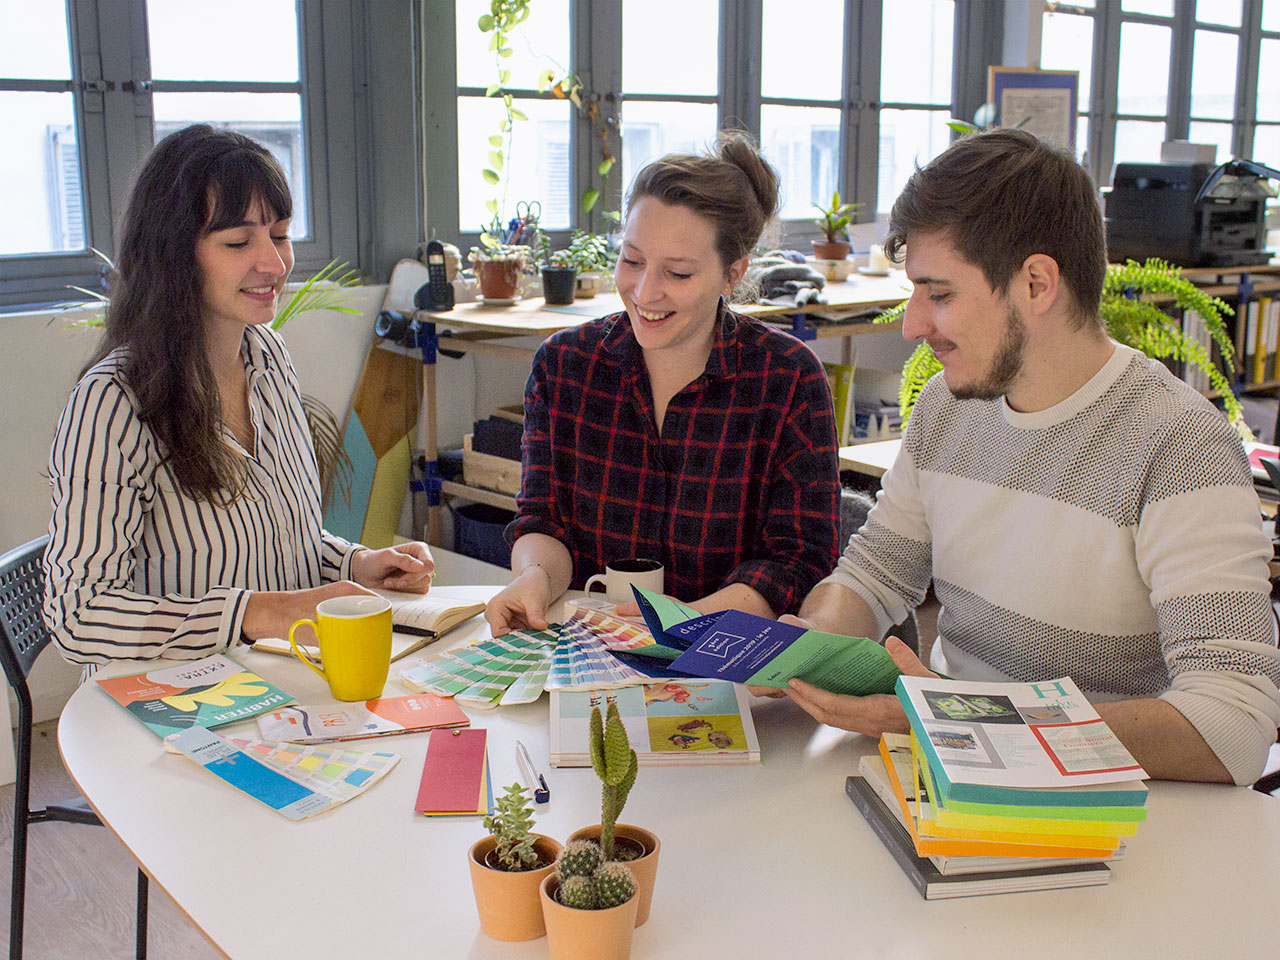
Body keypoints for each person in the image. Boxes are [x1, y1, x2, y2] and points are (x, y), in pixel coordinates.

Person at [765, 128, 1280, 785]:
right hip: (952, 778)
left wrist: (965, 717)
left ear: (1037, 283)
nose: (912, 325)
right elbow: (875, 573)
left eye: (940, 294)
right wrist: (809, 645)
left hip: (1112, 816)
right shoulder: (946, 410)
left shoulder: (1180, 447)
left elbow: (1232, 726)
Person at [43, 124, 434, 673]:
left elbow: (278, 540)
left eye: (279, 234)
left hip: (274, 682)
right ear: (173, 255)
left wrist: (358, 564)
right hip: (170, 702)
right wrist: (264, 613)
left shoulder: (268, 358)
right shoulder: (113, 403)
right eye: (237, 242)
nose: (273, 264)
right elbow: (78, 615)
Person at [484, 131, 840, 636]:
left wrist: (688, 623)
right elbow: (543, 520)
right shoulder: (565, 365)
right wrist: (534, 579)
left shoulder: (787, 380)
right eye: (632, 260)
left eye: (677, 272)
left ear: (731, 274)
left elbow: (799, 560)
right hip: (590, 652)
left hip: (725, 661)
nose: (645, 291)